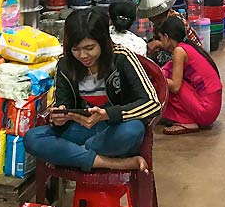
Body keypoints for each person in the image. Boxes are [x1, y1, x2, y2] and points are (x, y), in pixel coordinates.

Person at [23, 9, 160, 171]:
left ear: (103, 42)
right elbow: (62, 104)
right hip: (80, 129)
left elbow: (152, 104)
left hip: (113, 130)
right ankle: (113, 163)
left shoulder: (122, 57)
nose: (83, 55)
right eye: (75, 49)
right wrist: (59, 117)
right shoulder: (65, 64)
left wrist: (107, 114)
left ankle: (75, 155)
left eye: (89, 48)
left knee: (133, 130)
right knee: (32, 138)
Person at [155, 16, 223, 135]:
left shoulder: (179, 51)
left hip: (206, 110)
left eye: (161, 38)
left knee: (163, 80)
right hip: (212, 105)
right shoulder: (188, 46)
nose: (161, 41)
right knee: (167, 72)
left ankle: (187, 121)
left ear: (166, 37)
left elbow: (175, 86)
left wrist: (154, 78)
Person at [138, 0, 203, 66]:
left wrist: (159, 44)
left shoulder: (175, 21)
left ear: (158, 14)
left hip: (191, 56)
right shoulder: (158, 24)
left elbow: (180, 48)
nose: (150, 19)